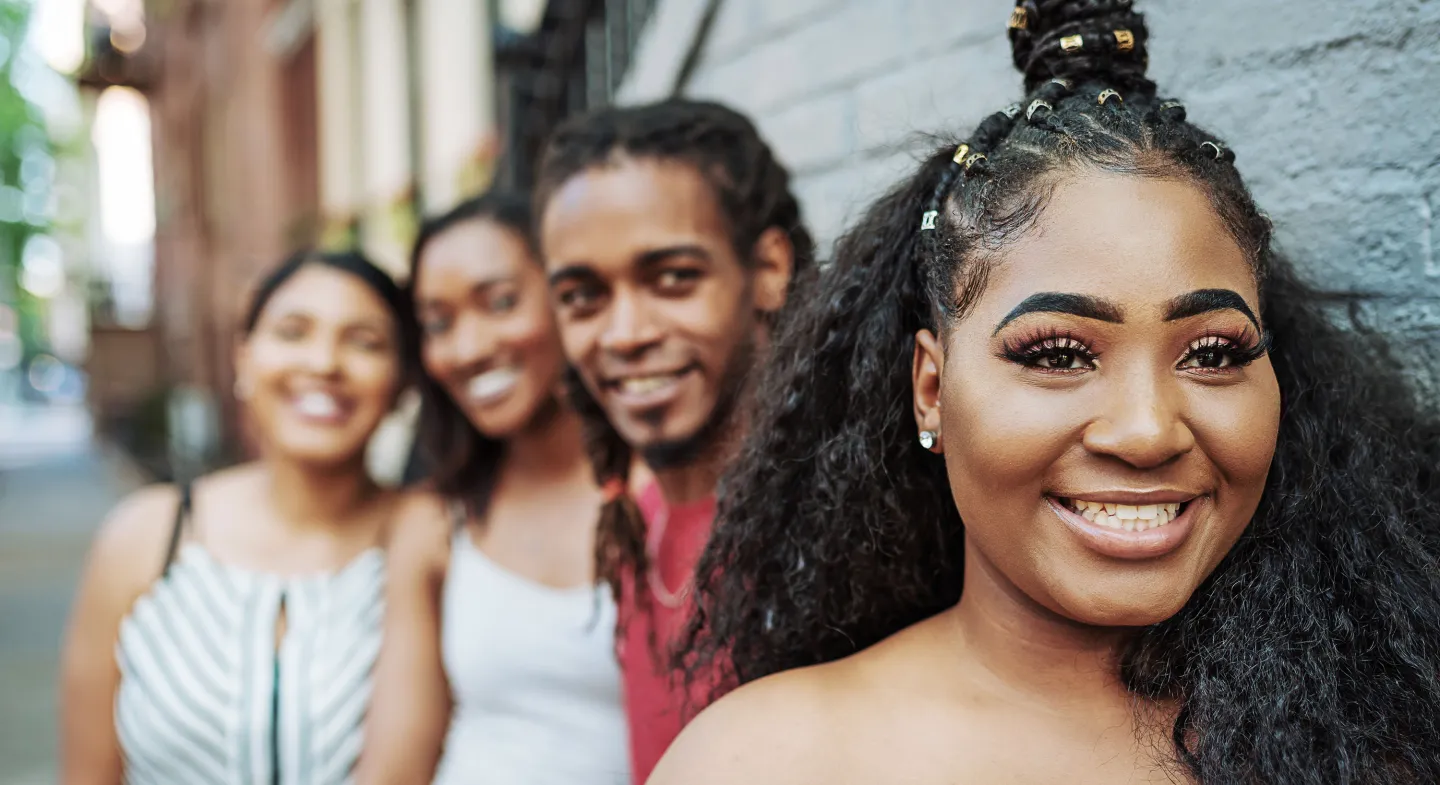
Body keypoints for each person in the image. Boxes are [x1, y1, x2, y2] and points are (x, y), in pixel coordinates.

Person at [651, 2, 1440, 783]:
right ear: (931, 388)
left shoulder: (1376, 744)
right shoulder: (762, 760)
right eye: (1059, 354)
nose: (1146, 430)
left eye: (1210, 352)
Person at [534, 98, 816, 783]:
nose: (625, 331)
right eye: (583, 296)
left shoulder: (840, 533)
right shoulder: (632, 536)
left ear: (769, 270)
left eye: (673, 279)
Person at [60, 250, 417, 784]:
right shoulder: (147, 536)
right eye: (293, 332)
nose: (323, 363)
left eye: (364, 342)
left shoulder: (433, 540)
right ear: (243, 358)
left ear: (403, 382)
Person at [356, 193, 629, 785]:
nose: (470, 348)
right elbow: (394, 764)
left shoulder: (663, 491)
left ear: (568, 298)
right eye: (439, 323)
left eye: (500, 302)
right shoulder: (437, 521)